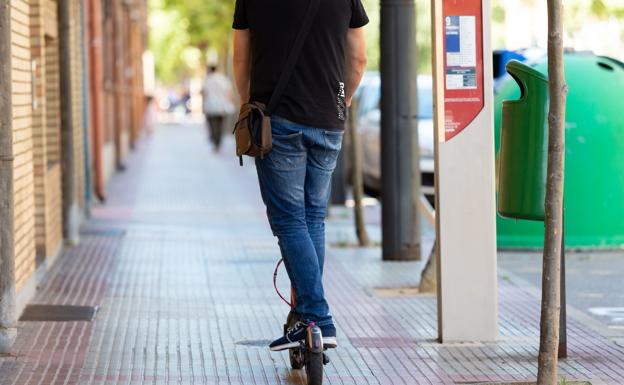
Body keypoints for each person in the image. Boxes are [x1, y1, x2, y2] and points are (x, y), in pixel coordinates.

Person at [232, 0, 368, 351]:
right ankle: (308, 319)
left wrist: (249, 101)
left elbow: (240, 58)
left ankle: (316, 318)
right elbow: (358, 60)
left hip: (278, 121)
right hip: (329, 120)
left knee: (290, 221)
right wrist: (343, 102)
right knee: (312, 219)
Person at [202, 65, 235, 151]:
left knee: (212, 125)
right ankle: (218, 142)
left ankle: (215, 142)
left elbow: (205, 93)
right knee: (220, 125)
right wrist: (230, 102)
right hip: (222, 106)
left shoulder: (207, 79)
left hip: (210, 105)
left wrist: (203, 106)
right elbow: (229, 92)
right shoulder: (223, 79)